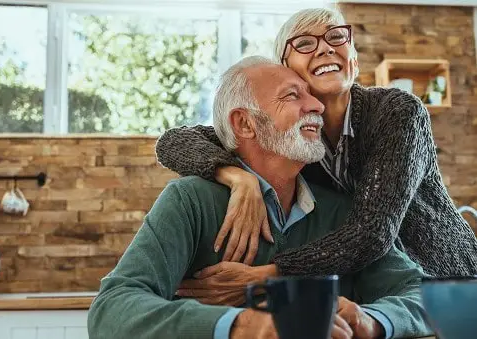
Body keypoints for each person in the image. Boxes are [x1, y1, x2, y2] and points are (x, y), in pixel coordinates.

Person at [88, 56, 431, 339]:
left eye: (310, 95)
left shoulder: (342, 211)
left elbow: (423, 296)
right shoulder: (190, 201)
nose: (316, 105)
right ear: (245, 124)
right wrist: (240, 325)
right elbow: (112, 309)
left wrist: (372, 319)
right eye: (293, 95)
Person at [155, 7, 477, 276]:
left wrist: (268, 275)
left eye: (337, 37)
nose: (325, 48)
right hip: (378, 291)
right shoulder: (292, 136)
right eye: (305, 43)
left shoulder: (399, 112)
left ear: (354, 59)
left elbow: (372, 233)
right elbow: (175, 141)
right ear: (285, 69)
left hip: (449, 281)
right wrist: (238, 178)